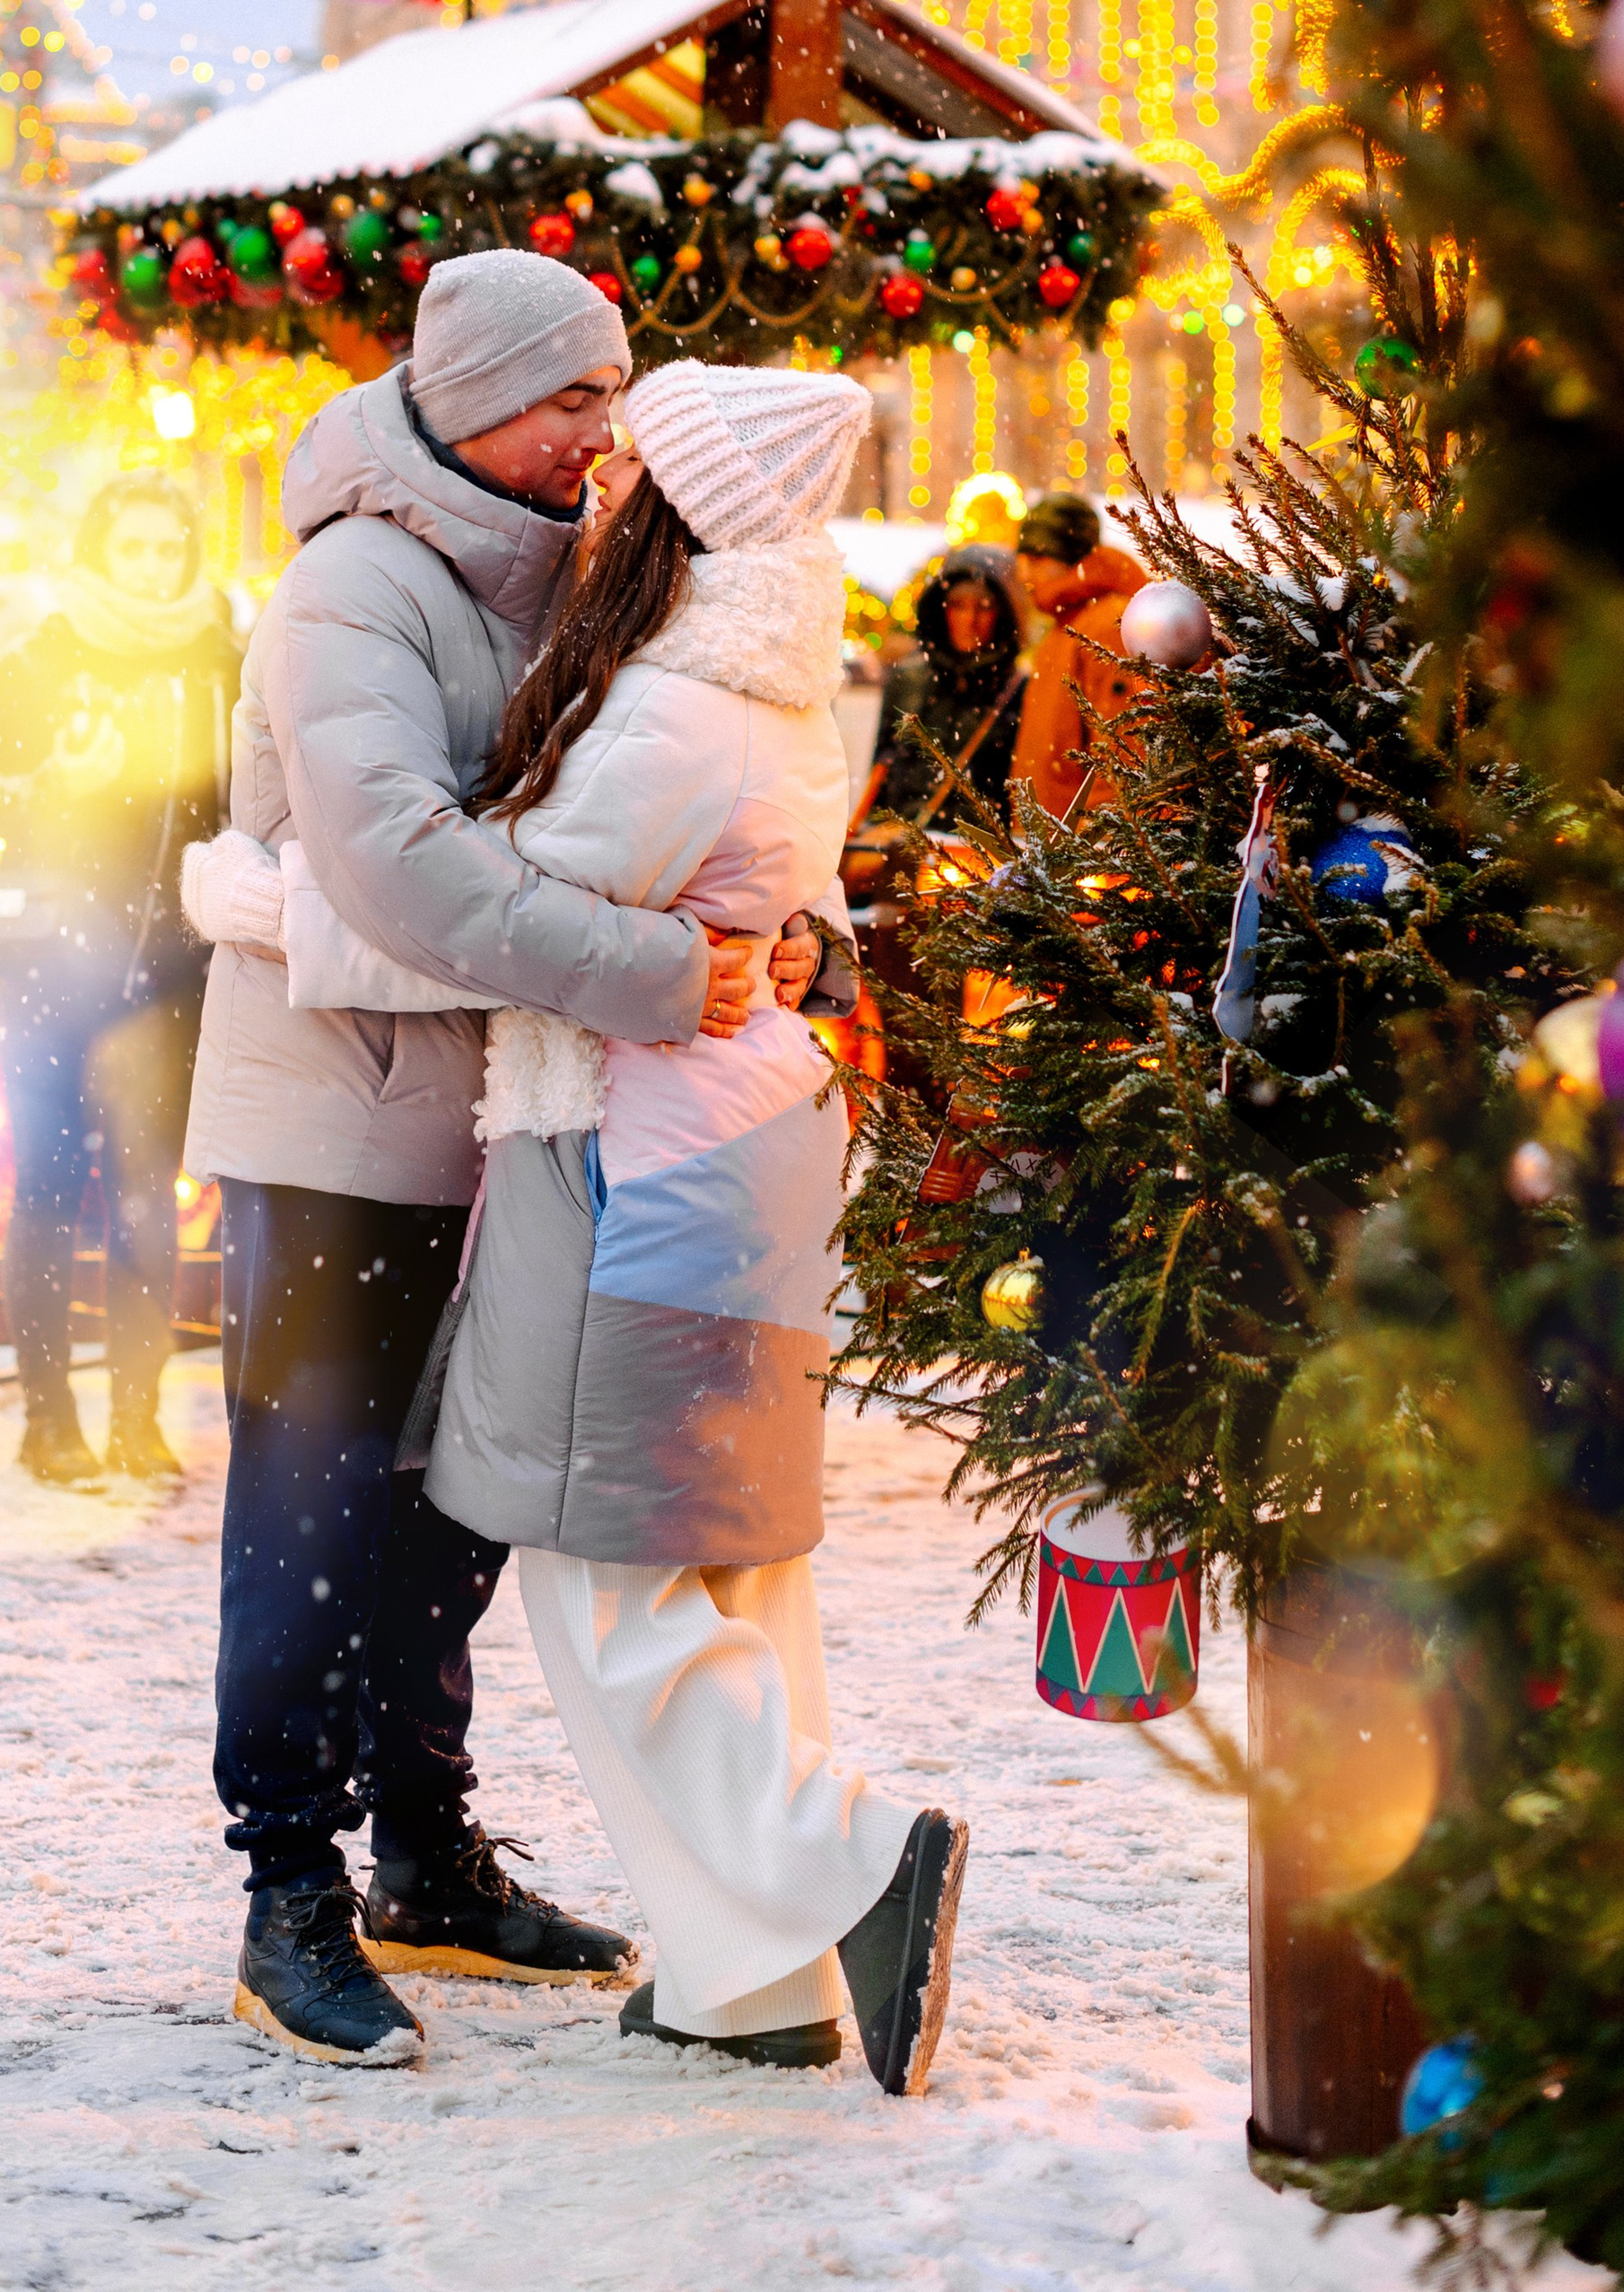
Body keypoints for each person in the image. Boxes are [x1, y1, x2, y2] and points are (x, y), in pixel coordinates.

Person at [230, 362, 968, 2097]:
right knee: (724, 1559)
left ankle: (843, 1860)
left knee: (604, 1574)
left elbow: (482, 906)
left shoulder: (669, 707)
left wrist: (259, 898)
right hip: (748, 1160)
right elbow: (763, 907)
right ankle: (745, 1975)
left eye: (638, 449)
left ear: (686, 504)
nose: (606, 469)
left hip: (627, 1160)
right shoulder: (781, 689)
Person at [0, 475, 235, 1488]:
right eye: (135, 548)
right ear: (100, 552)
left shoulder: (220, 657)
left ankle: (137, 1417)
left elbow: (252, 797)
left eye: (170, 549)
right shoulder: (43, 652)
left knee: (152, 1196)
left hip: (167, 964)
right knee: (49, 1187)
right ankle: (47, 1418)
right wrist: (48, 786)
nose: (155, 567)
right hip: (50, 963)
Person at [852, 544, 1024, 829]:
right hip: (902, 848)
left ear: (1002, 614)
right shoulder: (908, 679)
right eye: (958, 606)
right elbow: (882, 773)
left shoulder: (1017, 689)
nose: (970, 620)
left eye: (984, 607)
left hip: (978, 857)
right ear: (941, 609)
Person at [1010, 491, 1148, 822]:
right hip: (1055, 842)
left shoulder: (1105, 624)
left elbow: (1123, 748)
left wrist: (1098, 841)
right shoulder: (1066, 624)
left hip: (1081, 854)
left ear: (1072, 560)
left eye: (1039, 560)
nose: (1025, 574)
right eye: (1023, 560)